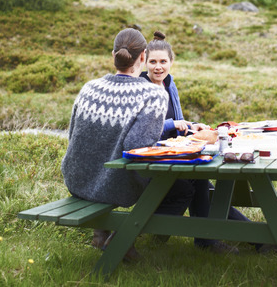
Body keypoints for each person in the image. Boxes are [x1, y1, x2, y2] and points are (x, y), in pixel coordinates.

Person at [61, 27, 195, 261]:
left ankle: (101, 232)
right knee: (183, 189)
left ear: (113, 56)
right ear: (143, 57)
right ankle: (125, 235)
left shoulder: (88, 88)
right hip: (112, 185)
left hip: (76, 178)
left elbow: (73, 135)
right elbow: (139, 151)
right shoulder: (152, 95)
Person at [141, 31, 247, 254]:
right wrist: (173, 125)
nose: (158, 67)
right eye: (153, 62)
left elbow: (178, 122)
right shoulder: (141, 88)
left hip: (177, 155)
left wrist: (192, 126)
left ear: (171, 62)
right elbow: (144, 133)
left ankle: (253, 239)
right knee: (201, 184)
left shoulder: (170, 84)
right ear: (144, 62)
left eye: (163, 61)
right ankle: (212, 240)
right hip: (152, 160)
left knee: (205, 187)